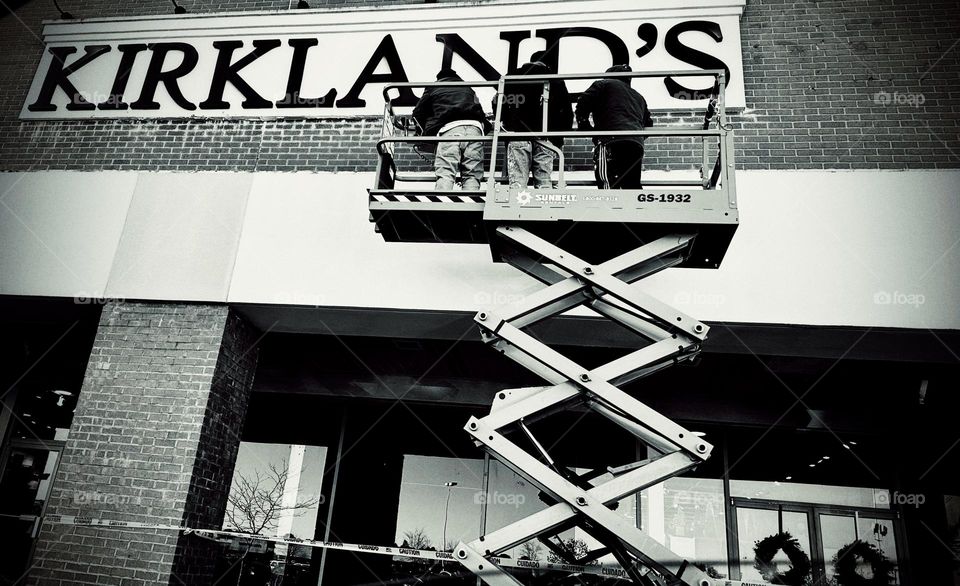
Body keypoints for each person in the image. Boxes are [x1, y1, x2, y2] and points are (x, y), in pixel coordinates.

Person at [493, 59, 573, 189]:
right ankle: (544, 206)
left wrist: (506, 121)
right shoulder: (554, 79)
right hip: (545, 135)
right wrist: (558, 139)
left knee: (517, 182)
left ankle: (515, 207)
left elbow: (497, 102)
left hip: (518, 134)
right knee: (544, 180)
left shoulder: (511, 76)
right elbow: (566, 112)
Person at [575, 64, 653, 189]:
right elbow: (648, 124)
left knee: (608, 183)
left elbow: (583, 101)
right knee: (632, 185)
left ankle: (610, 208)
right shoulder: (639, 97)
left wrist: (584, 124)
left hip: (610, 139)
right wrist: (635, 136)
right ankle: (635, 208)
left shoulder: (604, 84)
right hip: (635, 143)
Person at [412, 68, 491, 191]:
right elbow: (480, 112)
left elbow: (418, 112)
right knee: (472, 175)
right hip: (475, 131)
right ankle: (470, 205)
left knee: (446, 173)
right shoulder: (468, 89)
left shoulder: (433, 87)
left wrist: (425, 133)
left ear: (439, 79)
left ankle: (442, 207)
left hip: (450, 130)